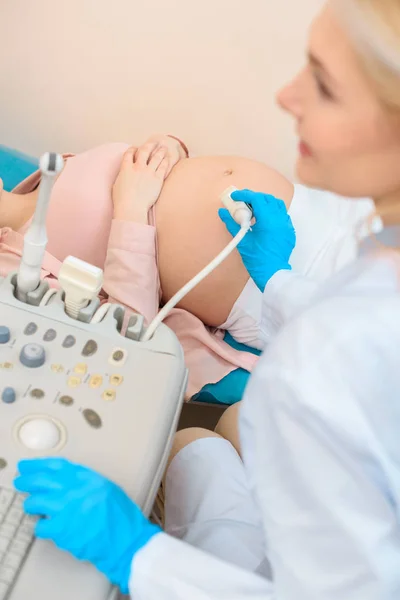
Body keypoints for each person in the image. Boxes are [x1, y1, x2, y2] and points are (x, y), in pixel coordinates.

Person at [13, 0, 400, 596]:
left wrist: (136, 554)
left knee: (201, 449)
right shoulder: (377, 251)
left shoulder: (325, 370)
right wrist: (277, 282)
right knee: (210, 439)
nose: (286, 97)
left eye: (323, 85)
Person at [0, 134, 374, 399]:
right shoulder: (18, 271)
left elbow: (160, 163)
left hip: (341, 209)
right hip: (288, 281)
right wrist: (131, 206)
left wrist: (169, 147)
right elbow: (121, 336)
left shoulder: (50, 172)